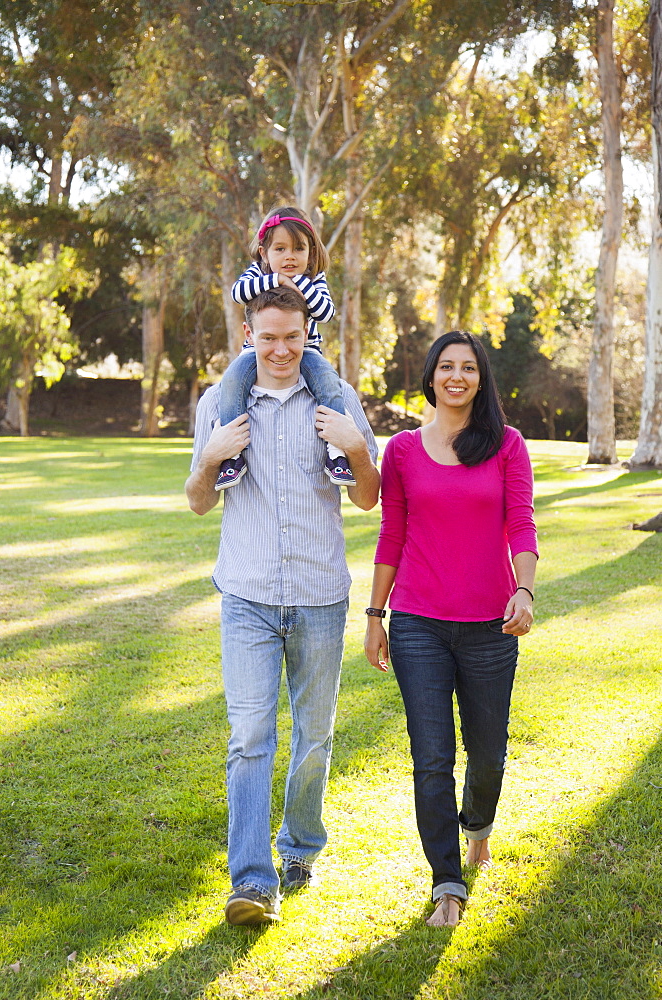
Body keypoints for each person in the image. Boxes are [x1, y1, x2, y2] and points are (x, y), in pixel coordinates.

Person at [186, 285, 380, 927]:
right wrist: (211, 457)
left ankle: (299, 847)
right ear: (249, 336)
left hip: (321, 593)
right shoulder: (221, 403)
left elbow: (367, 498)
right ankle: (251, 880)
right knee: (249, 738)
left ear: (307, 334)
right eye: (267, 337)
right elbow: (196, 499)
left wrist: (355, 444)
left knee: (315, 735)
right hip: (247, 595)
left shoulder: (338, 400)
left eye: (291, 337)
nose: (279, 349)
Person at [364, 330, 538, 928]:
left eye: (468, 368)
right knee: (432, 756)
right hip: (418, 624)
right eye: (446, 367)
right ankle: (447, 882)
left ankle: (479, 828)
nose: (456, 377)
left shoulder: (507, 445)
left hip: (492, 624)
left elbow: (521, 523)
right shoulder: (404, 451)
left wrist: (524, 589)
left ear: (481, 378)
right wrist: (374, 616)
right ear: (431, 376)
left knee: (486, 754)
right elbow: (392, 535)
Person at [216, 205, 355, 490]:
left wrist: (299, 283)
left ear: (311, 253)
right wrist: (277, 280)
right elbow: (237, 293)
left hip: (307, 350)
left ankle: (337, 455)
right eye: (279, 249)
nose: (289, 256)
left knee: (329, 384)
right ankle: (232, 458)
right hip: (255, 351)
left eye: (298, 249)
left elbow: (325, 312)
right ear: (265, 253)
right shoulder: (257, 271)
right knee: (232, 382)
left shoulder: (315, 278)